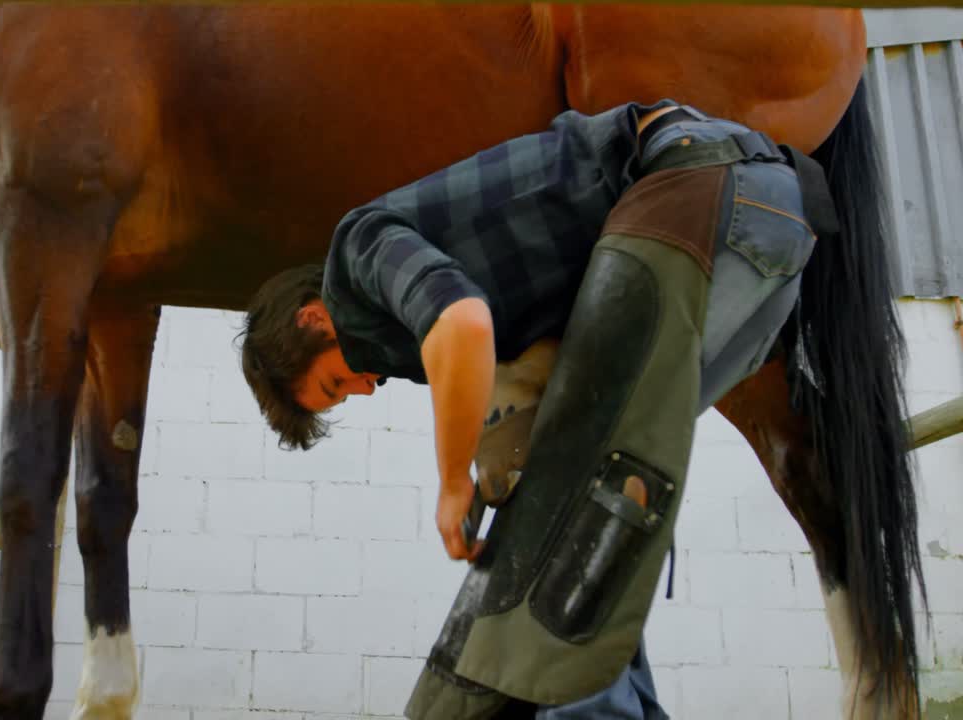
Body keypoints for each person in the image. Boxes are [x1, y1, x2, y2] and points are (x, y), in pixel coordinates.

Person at [237, 100, 832, 719]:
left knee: (583, 506)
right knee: (597, 502)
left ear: (313, 317)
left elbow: (461, 323)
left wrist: (450, 486)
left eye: (335, 383)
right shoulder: (438, 320)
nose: (362, 391)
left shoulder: (357, 252)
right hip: (773, 227)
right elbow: (530, 365)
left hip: (695, 194)